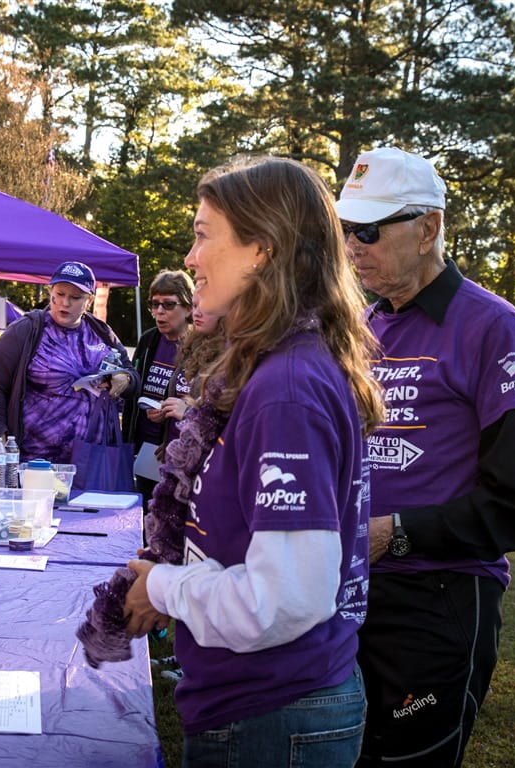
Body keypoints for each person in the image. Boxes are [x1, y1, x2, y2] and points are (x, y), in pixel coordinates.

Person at [120, 156, 383, 767]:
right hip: (267, 707)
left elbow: (283, 600)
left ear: (261, 250)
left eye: (203, 234)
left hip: (271, 715)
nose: (190, 258)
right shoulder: (280, 367)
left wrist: (162, 584)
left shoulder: (285, 387)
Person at [335, 147, 515, 767]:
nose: (354, 245)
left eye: (370, 230)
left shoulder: (493, 325)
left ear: (428, 227)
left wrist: (394, 533)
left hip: (438, 601)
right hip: (350, 593)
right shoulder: (365, 326)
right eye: (348, 229)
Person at [0, 261, 139, 463]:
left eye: (75, 297)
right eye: (60, 294)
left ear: (89, 301)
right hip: (35, 459)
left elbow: (132, 378)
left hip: (93, 460)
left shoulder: (102, 333)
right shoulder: (25, 331)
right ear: (51, 293)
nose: (65, 303)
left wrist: (124, 379)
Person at [123, 270, 198, 501]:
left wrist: (184, 412)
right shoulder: (149, 339)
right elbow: (136, 386)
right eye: (154, 304)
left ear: (188, 307)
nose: (159, 312)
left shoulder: (205, 346)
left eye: (168, 305)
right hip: (145, 454)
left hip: (184, 455)